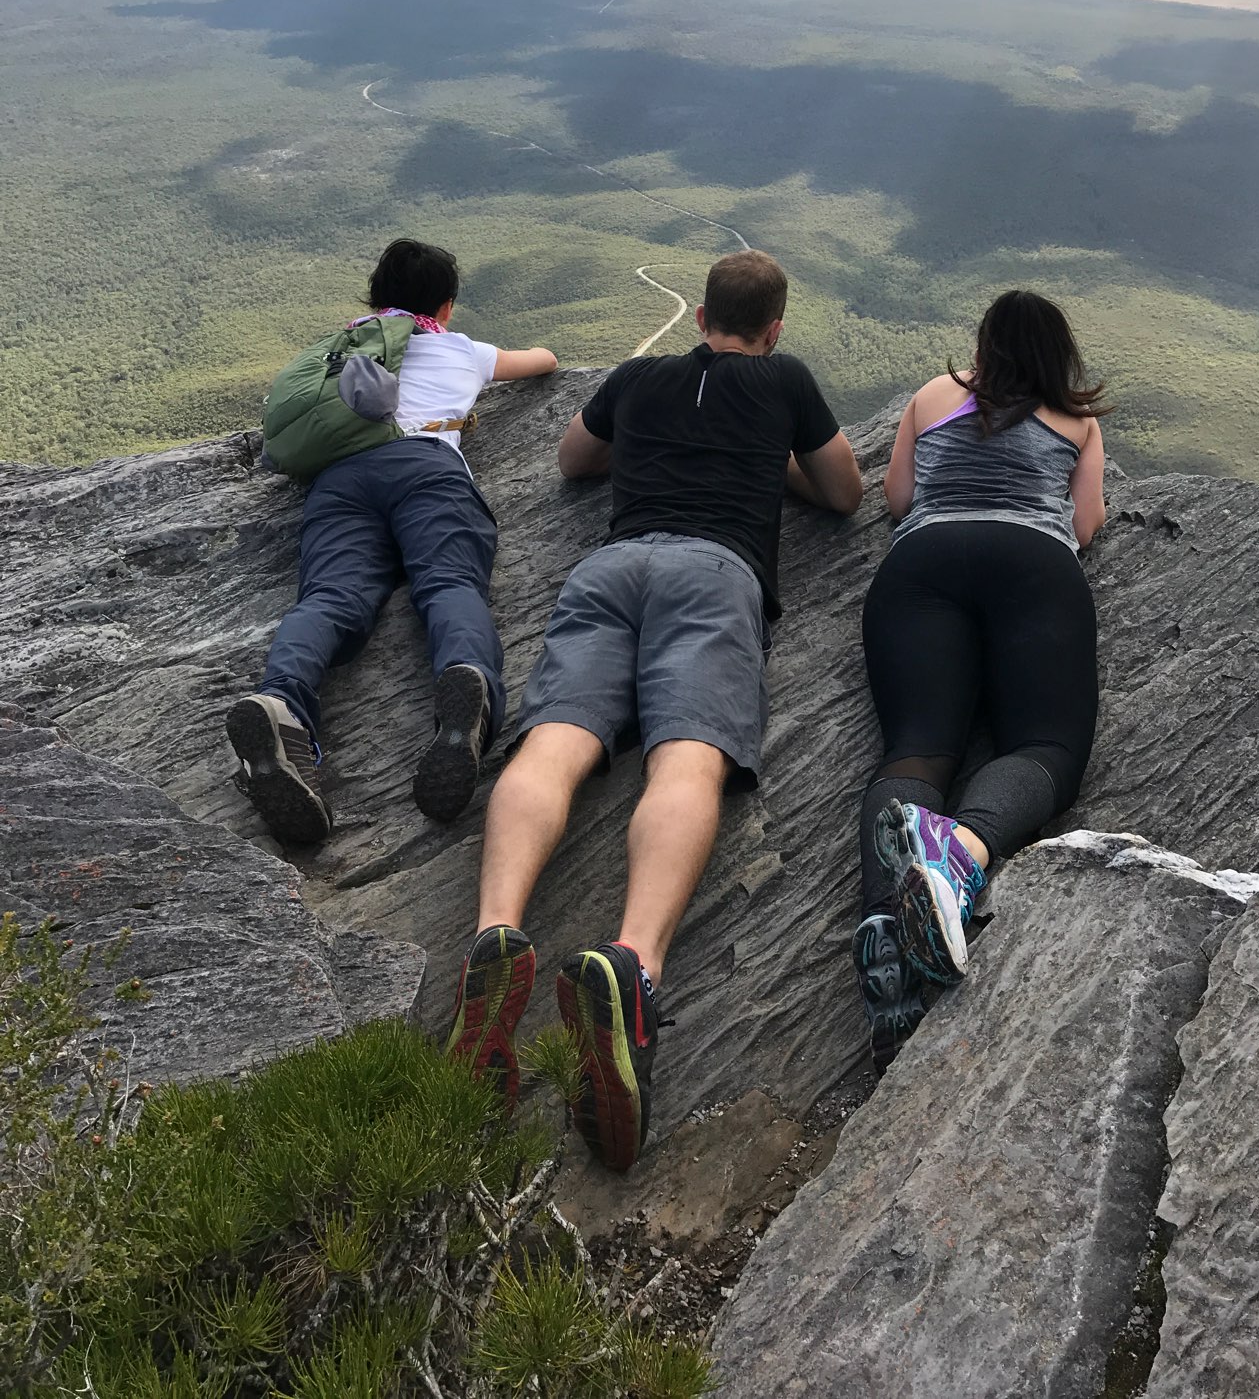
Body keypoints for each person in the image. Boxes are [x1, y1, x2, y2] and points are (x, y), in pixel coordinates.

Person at [446, 250, 863, 1170]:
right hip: (716, 576)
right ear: (773, 329)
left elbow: (571, 461)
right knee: (687, 757)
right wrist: (771, 461)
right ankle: (630, 967)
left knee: (554, 745)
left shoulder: (639, 378)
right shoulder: (786, 379)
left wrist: (644, 439)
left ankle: (495, 933)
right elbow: (844, 493)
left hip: (611, 566)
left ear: (701, 314)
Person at [225, 238, 557, 846]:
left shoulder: (339, 355)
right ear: (447, 307)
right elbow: (544, 360)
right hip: (428, 469)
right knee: (449, 583)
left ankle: (281, 705)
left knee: (330, 598)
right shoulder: (463, 349)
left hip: (341, 480)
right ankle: (466, 684)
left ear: (374, 299)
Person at [853, 289, 1108, 1071]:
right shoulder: (1077, 420)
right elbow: (1086, 524)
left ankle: (885, 933)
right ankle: (961, 851)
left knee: (918, 748)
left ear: (984, 344)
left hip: (922, 564)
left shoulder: (932, 397)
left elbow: (897, 498)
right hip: (1033, 565)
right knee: (1045, 746)